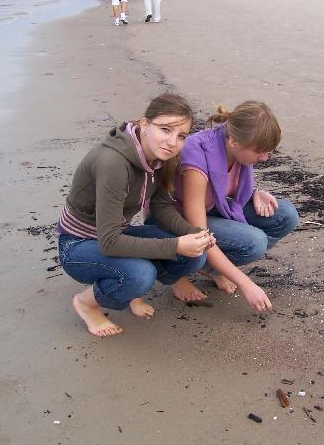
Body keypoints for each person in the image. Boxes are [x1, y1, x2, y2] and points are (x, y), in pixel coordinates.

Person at [57, 93, 214, 337]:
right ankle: (87, 303)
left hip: (117, 232)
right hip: (78, 244)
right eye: (165, 129)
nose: (172, 142)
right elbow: (109, 243)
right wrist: (176, 245)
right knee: (140, 274)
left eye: (181, 136)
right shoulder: (113, 162)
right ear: (144, 124)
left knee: (195, 255)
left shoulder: (161, 156)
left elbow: (161, 206)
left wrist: (194, 233)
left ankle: (132, 292)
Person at [173, 101, 299, 313]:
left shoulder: (236, 145)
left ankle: (210, 267)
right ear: (233, 142)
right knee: (254, 243)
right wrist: (245, 283)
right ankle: (176, 271)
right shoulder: (197, 158)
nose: (265, 158)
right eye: (260, 152)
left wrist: (255, 192)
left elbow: (224, 185)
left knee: (286, 215)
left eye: (269, 152)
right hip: (177, 221)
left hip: (211, 208)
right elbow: (198, 233)